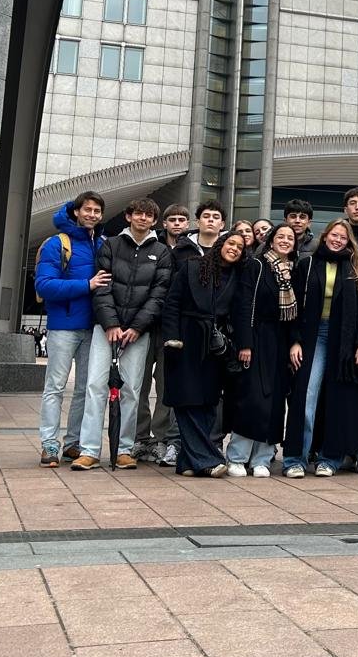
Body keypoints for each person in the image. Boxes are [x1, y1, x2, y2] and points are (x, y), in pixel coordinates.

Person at [71, 197, 172, 470]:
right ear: (129, 216)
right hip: (105, 329)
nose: (143, 218)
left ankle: (124, 449)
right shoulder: (110, 245)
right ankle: (89, 450)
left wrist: (137, 327)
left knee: (131, 390)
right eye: (138, 213)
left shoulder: (161, 252)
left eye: (148, 216)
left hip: (138, 333)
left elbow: (158, 294)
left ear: (154, 221)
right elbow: (102, 286)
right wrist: (111, 324)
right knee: (95, 386)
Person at [283, 219, 358, 477]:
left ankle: (329, 459)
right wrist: (295, 340)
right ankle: (295, 459)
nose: (338, 240)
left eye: (343, 238)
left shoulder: (357, 268)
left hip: (344, 339)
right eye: (334, 235)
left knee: (337, 400)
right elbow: (293, 306)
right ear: (325, 236)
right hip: (313, 336)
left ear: (349, 241)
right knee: (306, 396)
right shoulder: (307, 264)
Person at [161, 230, 250, 477]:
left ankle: (187, 463)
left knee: (208, 402)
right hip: (185, 340)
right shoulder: (192, 266)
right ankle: (208, 459)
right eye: (231, 243)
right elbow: (172, 303)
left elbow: (240, 313)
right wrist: (172, 338)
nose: (234, 248)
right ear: (221, 244)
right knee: (187, 400)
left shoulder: (238, 276)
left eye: (240, 247)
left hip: (215, 345)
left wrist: (240, 344)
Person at [36, 191, 110, 465]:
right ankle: (49, 444)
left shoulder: (102, 243)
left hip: (94, 328)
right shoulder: (58, 243)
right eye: (87, 209)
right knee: (55, 387)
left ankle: (73, 443)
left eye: (97, 211)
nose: (92, 215)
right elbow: (44, 285)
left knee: (84, 389)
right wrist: (87, 285)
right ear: (76, 212)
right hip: (64, 326)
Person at [225, 222, 298, 477]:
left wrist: (294, 343)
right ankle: (237, 457)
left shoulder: (293, 271)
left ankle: (263, 459)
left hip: (280, 341)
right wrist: (245, 343)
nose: (285, 241)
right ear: (271, 240)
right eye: (281, 236)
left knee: (275, 402)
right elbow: (244, 305)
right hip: (256, 337)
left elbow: (296, 315)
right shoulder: (256, 265)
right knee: (252, 399)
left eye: (290, 238)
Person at [136, 204, 187, 464]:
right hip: (146, 324)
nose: (177, 223)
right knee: (139, 383)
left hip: (172, 327)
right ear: (164, 223)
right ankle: (140, 437)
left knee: (166, 385)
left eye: (181, 219)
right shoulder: (151, 247)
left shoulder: (190, 251)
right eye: (172, 219)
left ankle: (161, 439)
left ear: (187, 224)